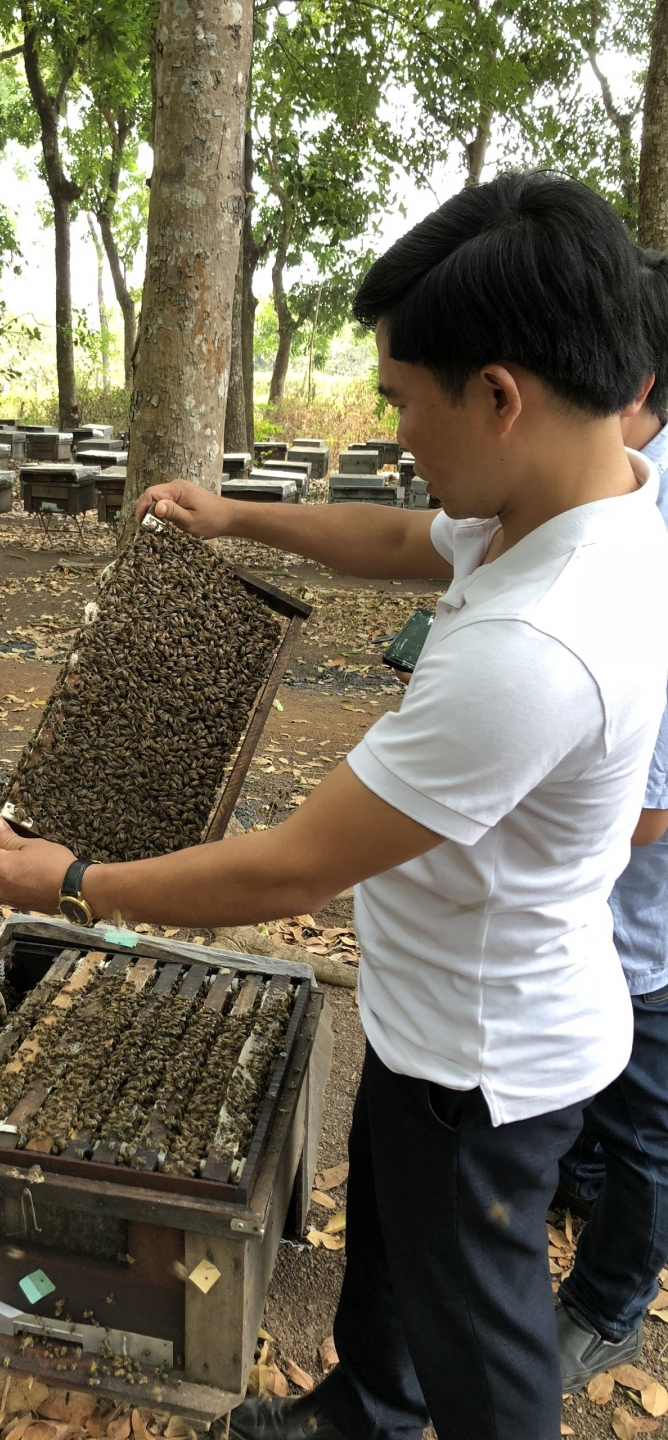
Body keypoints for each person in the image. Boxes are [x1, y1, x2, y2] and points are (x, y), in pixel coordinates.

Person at [0, 172, 668, 1440]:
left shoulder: (534, 647)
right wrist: (236, 513)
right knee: (397, 1265)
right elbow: (409, 543)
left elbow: (291, 871)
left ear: (502, 396)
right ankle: (362, 1414)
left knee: (487, 1350)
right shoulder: (584, 498)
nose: (400, 435)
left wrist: (73, 885)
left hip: (483, 1063)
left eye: (406, 401)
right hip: (446, 1017)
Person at [552, 251, 668, 1389]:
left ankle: (611, 1299)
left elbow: (650, 813)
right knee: (600, 1107)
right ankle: (572, 1182)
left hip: (643, 929)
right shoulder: (628, 485)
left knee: (645, 1125)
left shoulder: (652, 521)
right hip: (595, 927)